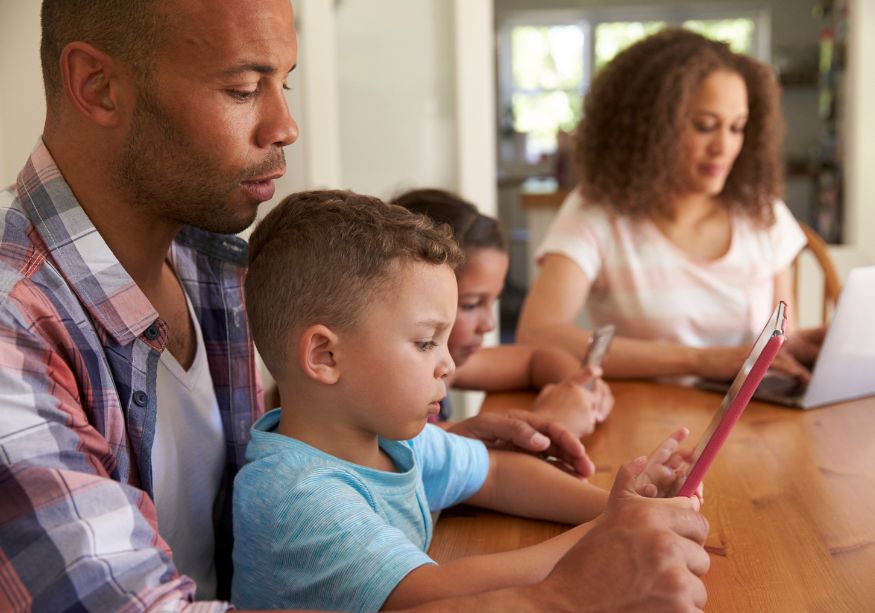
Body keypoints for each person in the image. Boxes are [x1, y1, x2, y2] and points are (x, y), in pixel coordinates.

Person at [0, 1, 710, 610]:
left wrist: (434, 439)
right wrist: (563, 593)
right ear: (97, 85)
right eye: (245, 88)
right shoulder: (14, 329)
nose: (286, 125)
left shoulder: (209, 255)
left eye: (285, 82)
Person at [232, 189, 701, 612]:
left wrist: (615, 506)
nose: (449, 366)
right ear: (325, 355)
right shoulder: (297, 497)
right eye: (424, 343)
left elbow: (496, 473)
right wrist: (613, 532)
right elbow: (437, 593)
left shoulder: (387, 440)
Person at [516, 28, 825, 383]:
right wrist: (699, 360)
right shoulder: (597, 213)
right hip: (646, 423)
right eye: (705, 126)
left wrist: (804, 347)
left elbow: (781, 340)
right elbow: (537, 334)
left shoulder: (762, 213)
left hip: (755, 423)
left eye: (737, 128)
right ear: (650, 128)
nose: (724, 147)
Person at [395, 188, 612, 438]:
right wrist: (547, 422)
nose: (489, 325)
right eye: (471, 304)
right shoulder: (401, 396)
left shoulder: (448, 366)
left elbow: (535, 361)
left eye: (493, 301)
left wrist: (579, 385)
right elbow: (449, 452)